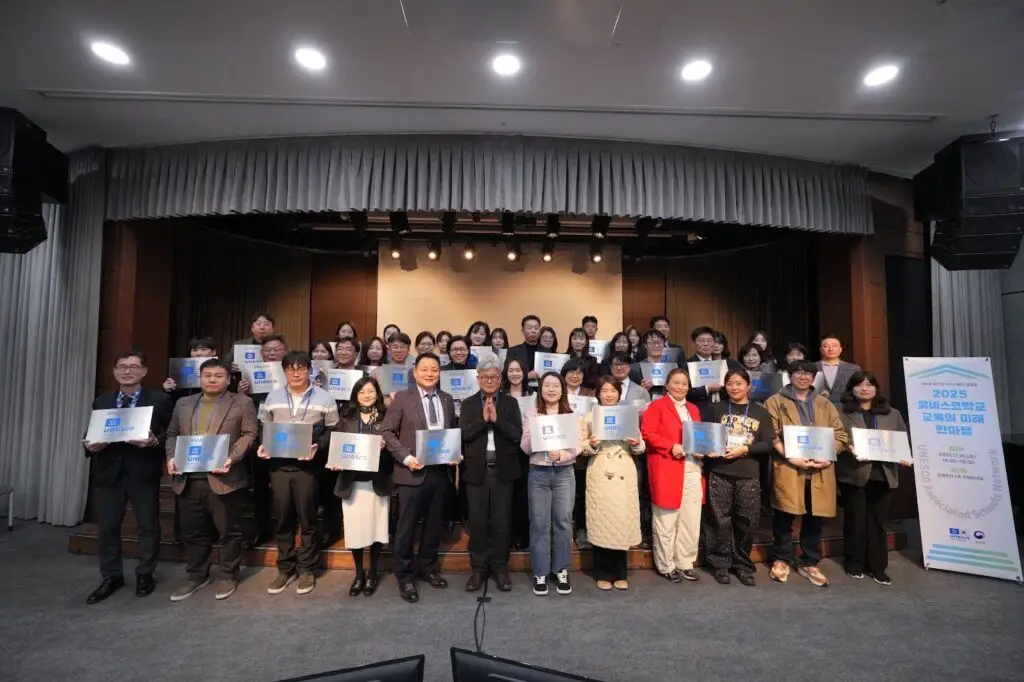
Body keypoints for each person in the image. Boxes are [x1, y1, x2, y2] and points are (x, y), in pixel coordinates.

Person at [83, 351, 174, 604]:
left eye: (133, 367)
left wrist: (155, 441)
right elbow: (91, 432)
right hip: (108, 473)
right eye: (122, 367)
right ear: (114, 371)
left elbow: (173, 433)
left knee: (148, 526)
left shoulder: (159, 399)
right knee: (108, 528)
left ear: (144, 371)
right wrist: (89, 445)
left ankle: (145, 573)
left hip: (142, 471)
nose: (127, 371)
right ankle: (111, 576)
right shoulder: (102, 401)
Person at [165, 358, 258, 602]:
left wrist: (231, 458)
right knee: (193, 531)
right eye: (207, 376)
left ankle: (228, 575)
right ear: (200, 378)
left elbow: (250, 433)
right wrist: (171, 456)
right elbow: (172, 434)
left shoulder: (242, 402)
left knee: (229, 531)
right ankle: (197, 575)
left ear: (228, 379)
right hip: (188, 477)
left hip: (225, 477)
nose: (212, 380)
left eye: (218, 376)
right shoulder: (183, 403)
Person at [258, 351, 340, 596]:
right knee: (283, 519)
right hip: (279, 466)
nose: (296, 373)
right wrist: (262, 445)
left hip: (308, 467)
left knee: (308, 520)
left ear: (309, 371)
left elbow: (333, 430)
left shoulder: (325, 397)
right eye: (290, 369)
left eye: (301, 368)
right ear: (284, 371)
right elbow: (265, 427)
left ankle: (307, 569)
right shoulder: (272, 397)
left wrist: (318, 447)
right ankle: (285, 569)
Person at [379, 353, 458, 604]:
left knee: (433, 526)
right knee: (406, 529)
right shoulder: (402, 398)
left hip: (439, 473)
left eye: (434, 369)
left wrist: (453, 453)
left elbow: (449, 433)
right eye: (424, 369)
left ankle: (427, 568)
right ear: (414, 373)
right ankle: (405, 576)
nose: (430, 373)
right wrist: (406, 458)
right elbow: (387, 431)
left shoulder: (447, 399)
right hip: (411, 472)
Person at [764, 361, 848, 587]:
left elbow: (840, 435)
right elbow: (771, 435)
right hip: (790, 467)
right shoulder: (775, 402)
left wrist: (828, 456)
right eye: (798, 373)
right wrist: (790, 456)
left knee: (814, 517)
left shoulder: (825, 404)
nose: (803, 377)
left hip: (820, 469)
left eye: (808, 374)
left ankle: (809, 560)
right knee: (784, 516)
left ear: (814, 377)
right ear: (789, 376)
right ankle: (782, 558)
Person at [837, 372, 912, 585]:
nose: (864, 389)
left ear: (876, 388)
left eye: (869, 384)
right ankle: (854, 562)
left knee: (878, 522)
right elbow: (836, 437)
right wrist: (847, 447)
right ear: (851, 389)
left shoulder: (893, 413)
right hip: (855, 473)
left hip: (883, 474)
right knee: (855, 521)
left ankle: (878, 566)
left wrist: (904, 455)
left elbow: (901, 439)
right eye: (859, 385)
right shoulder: (841, 412)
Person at [702, 369, 774, 586]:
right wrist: (707, 450)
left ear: (748, 386)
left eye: (739, 383)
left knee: (747, 521)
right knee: (718, 520)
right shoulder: (716, 409)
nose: (734, 387)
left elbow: (767, 443)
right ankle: (720, 564)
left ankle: (743, 565)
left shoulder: (761, 412)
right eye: (730, 383)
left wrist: (745, 449)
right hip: (720, 472)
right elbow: (704, 437)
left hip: (748, 474)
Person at [460, 357, 523, 592]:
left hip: (503, 472)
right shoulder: (468, 404)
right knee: (477, 523)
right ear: (478, 379)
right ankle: (478, 569)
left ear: (500, 379)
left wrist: (497, 421)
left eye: (494, 377)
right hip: (476, 471)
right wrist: (482, 420)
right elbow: (462, 435)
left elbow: (517, 434)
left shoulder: (510, 403)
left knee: (501, 523)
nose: (489, 381)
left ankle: (500, 568)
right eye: (485, 377)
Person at [329, 377, 393, 597]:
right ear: (355, 395)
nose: (367, 395)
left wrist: (387, 446)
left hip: (378, 482)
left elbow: (397, 445)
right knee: (355, 531)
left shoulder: (386, 416)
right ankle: (359, 574)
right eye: (362, 391)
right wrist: (335, 460)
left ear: (378, 393)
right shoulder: (346, 416)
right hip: (352, 483)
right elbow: (336, 444)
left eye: (371, 391)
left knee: (377, 530)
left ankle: (373, 572)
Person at [520, 372, 581, 596]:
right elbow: (525, 447)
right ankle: (541, 572)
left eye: (556, 385)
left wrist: (563, 454)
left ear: (562, 389)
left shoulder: (571, 414)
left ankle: (561, 569)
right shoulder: (531, 414)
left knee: (563, 521)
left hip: (564, 473)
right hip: (538, 473)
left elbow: (578, 445)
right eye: (547, 385)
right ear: (541, 389)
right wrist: (537, 433)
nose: (551, 389)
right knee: (539, 523)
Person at [581, 376, 644, 590]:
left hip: (624, 467)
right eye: (605, 390)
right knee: (602, 520)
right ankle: (603, 572)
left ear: (619, 393)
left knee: (620, 521)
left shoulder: (628, 415)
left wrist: (636, 443)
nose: (609, 395)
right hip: (600, 469)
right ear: (598, 394)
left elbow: (641, 446)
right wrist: (591, 444)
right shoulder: (590, 417)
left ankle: (620, 572)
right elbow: (581, 447)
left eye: (613, 391)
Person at [640, 368, 703, 583]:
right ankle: (666, 564)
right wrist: (670, 446)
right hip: (667, 467)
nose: (680, 387)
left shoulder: (694, 409)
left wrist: (702, 448)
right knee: (666, 520)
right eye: (676, 382)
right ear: (666, 385)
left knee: (690, 520)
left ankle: (685, 562)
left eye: (684, 384)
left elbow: (698, 436)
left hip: (692, 468)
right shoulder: (656, 406)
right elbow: (647, 433)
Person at [237, 333, 288, 543]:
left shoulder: (292, 373)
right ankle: (262, 528)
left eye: (277, 349)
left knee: (284, 485)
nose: (272, 353)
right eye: (268, 350)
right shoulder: (250, 374)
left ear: (284, 351)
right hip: (259, 437)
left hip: (285, 436)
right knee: (259, 486)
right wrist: (243, 393)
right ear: (261, 353)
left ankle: (288, 528)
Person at [609, 352, 652, 546]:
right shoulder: (605, 388)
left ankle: (637, 532)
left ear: (629, 367)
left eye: (623, 364)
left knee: (636, 491)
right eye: (616, 364)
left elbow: (647, 418)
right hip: (610, 447)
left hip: (634, 447)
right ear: (611, 367)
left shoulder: (641, 391)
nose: (619, 367)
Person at [561, 358, 594, 549]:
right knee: (564, 496)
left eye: (579, 372)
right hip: (562, 448)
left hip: (584, 452)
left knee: (581, 493)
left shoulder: (591, 394)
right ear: (564, 374)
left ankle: (582, 530)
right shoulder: (558, 392)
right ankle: (565, 532)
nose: (575, 376)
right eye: (571, 372)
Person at [501, 358, 533, 550]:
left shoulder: (533, 395)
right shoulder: (500, 395)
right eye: (511, 370)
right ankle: (510, 536)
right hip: (507, 450)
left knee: (524, 495)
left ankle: (524, 536)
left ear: (524, 372)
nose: (515, 374)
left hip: (528, 452)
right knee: (508, 497)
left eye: (518, 370)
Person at [162, 336, 218, 404]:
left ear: (213, 352)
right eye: (194, 350)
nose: (198, 353)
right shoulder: (181, 369)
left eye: (203, 349)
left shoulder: (221, 370)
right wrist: (167, 389)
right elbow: (173, 398)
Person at [686, 325, 727, 414]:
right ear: (694, 343)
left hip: (722, 411)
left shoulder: (722, 364)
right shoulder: (687, 365)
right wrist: (706, 388)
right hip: (698, 411)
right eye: (701, 340)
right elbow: (684, 390)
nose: (706, 344)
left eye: (709, 340)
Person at [817, 334, 862, 405]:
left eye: (834, 346)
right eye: (826, 346)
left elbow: (859, 390)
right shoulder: (812, 367)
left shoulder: (853, 369)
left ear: (840, 349)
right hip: (817, 407)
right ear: (820, 349)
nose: (830, 349)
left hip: (845, 408)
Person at [506, 314, 542, 382]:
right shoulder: (512, 351)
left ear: (539, 331)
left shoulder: (546, 351)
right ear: (522, 331)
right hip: (521, 386)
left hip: (542, 387)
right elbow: (506, 373)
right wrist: (526, 375)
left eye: (536, 328)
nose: (533, 331)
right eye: (529, 328)